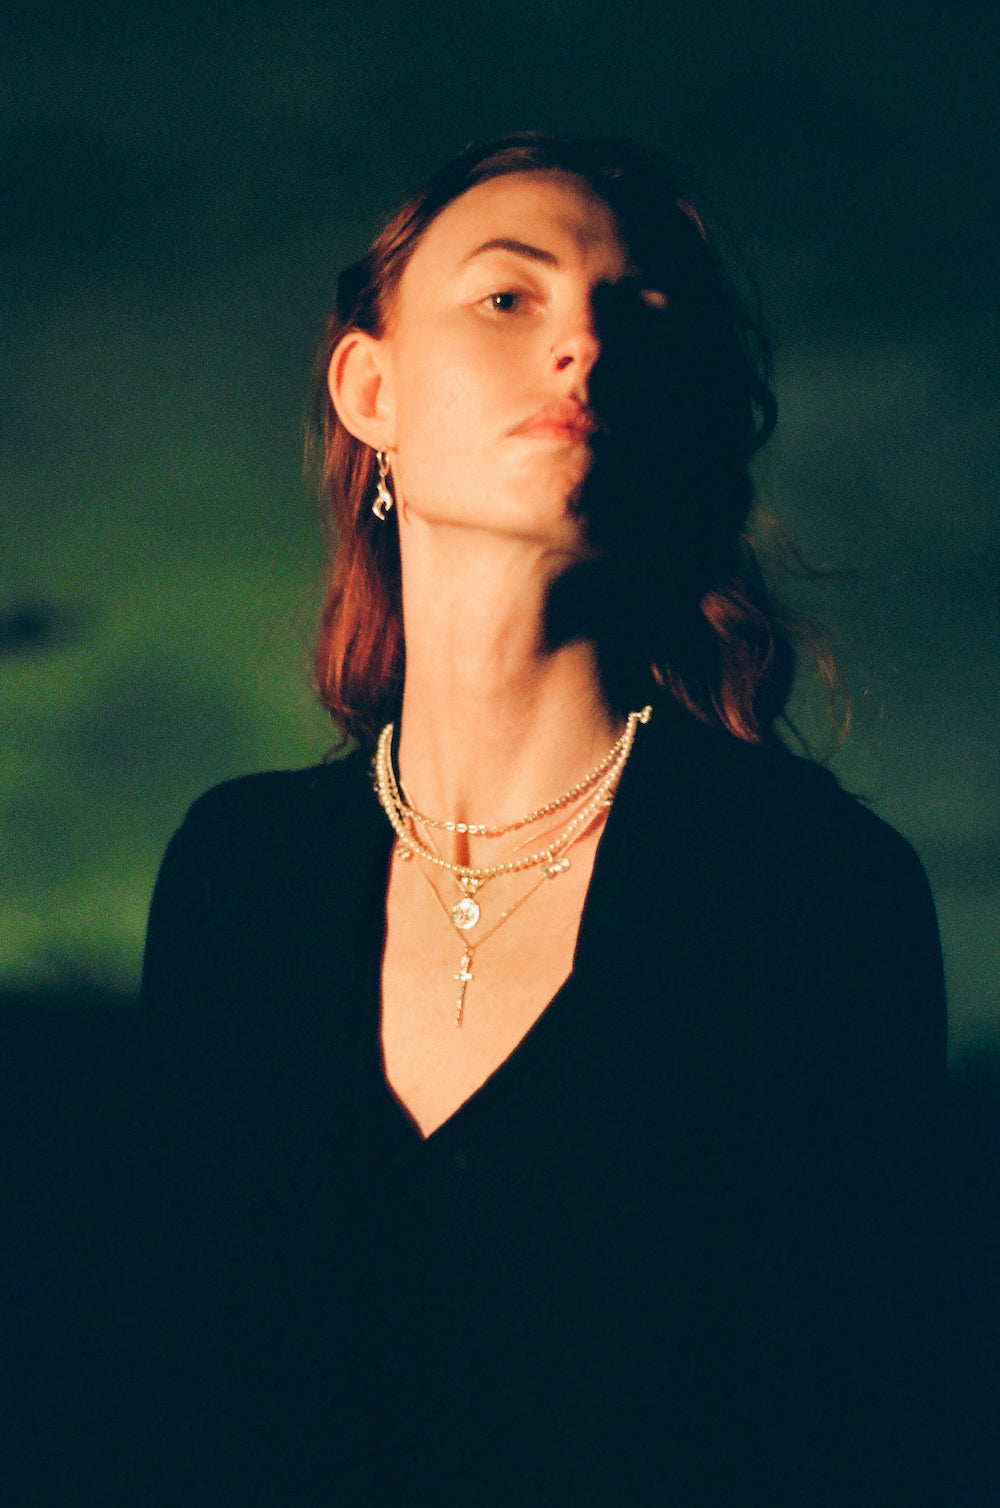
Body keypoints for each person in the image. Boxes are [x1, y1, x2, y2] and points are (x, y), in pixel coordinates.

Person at [141, 135, 946, 1506]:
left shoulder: (812, 887)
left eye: (641, 315)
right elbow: (162, 1396)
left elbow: (867, 1424)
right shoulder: (236, 875)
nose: (582, 342)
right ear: (372, 389)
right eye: (509, 296)